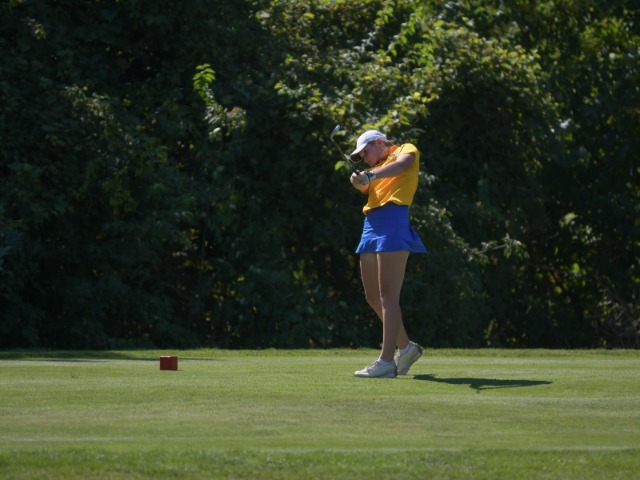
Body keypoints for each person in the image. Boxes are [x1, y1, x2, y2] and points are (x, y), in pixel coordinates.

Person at [349, 129, 427, 378]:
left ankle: (385, 362)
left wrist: (369, 174)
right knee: (373, 296)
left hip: (394, 219)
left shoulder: (405, 149)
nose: (364, 158)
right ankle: (406, 348)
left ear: (379, 142)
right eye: (361, 157)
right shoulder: (373, 170)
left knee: (388, 296)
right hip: (371, 224)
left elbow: (402, 165)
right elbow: (364, 187)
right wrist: (358, 181)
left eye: (365, 152)